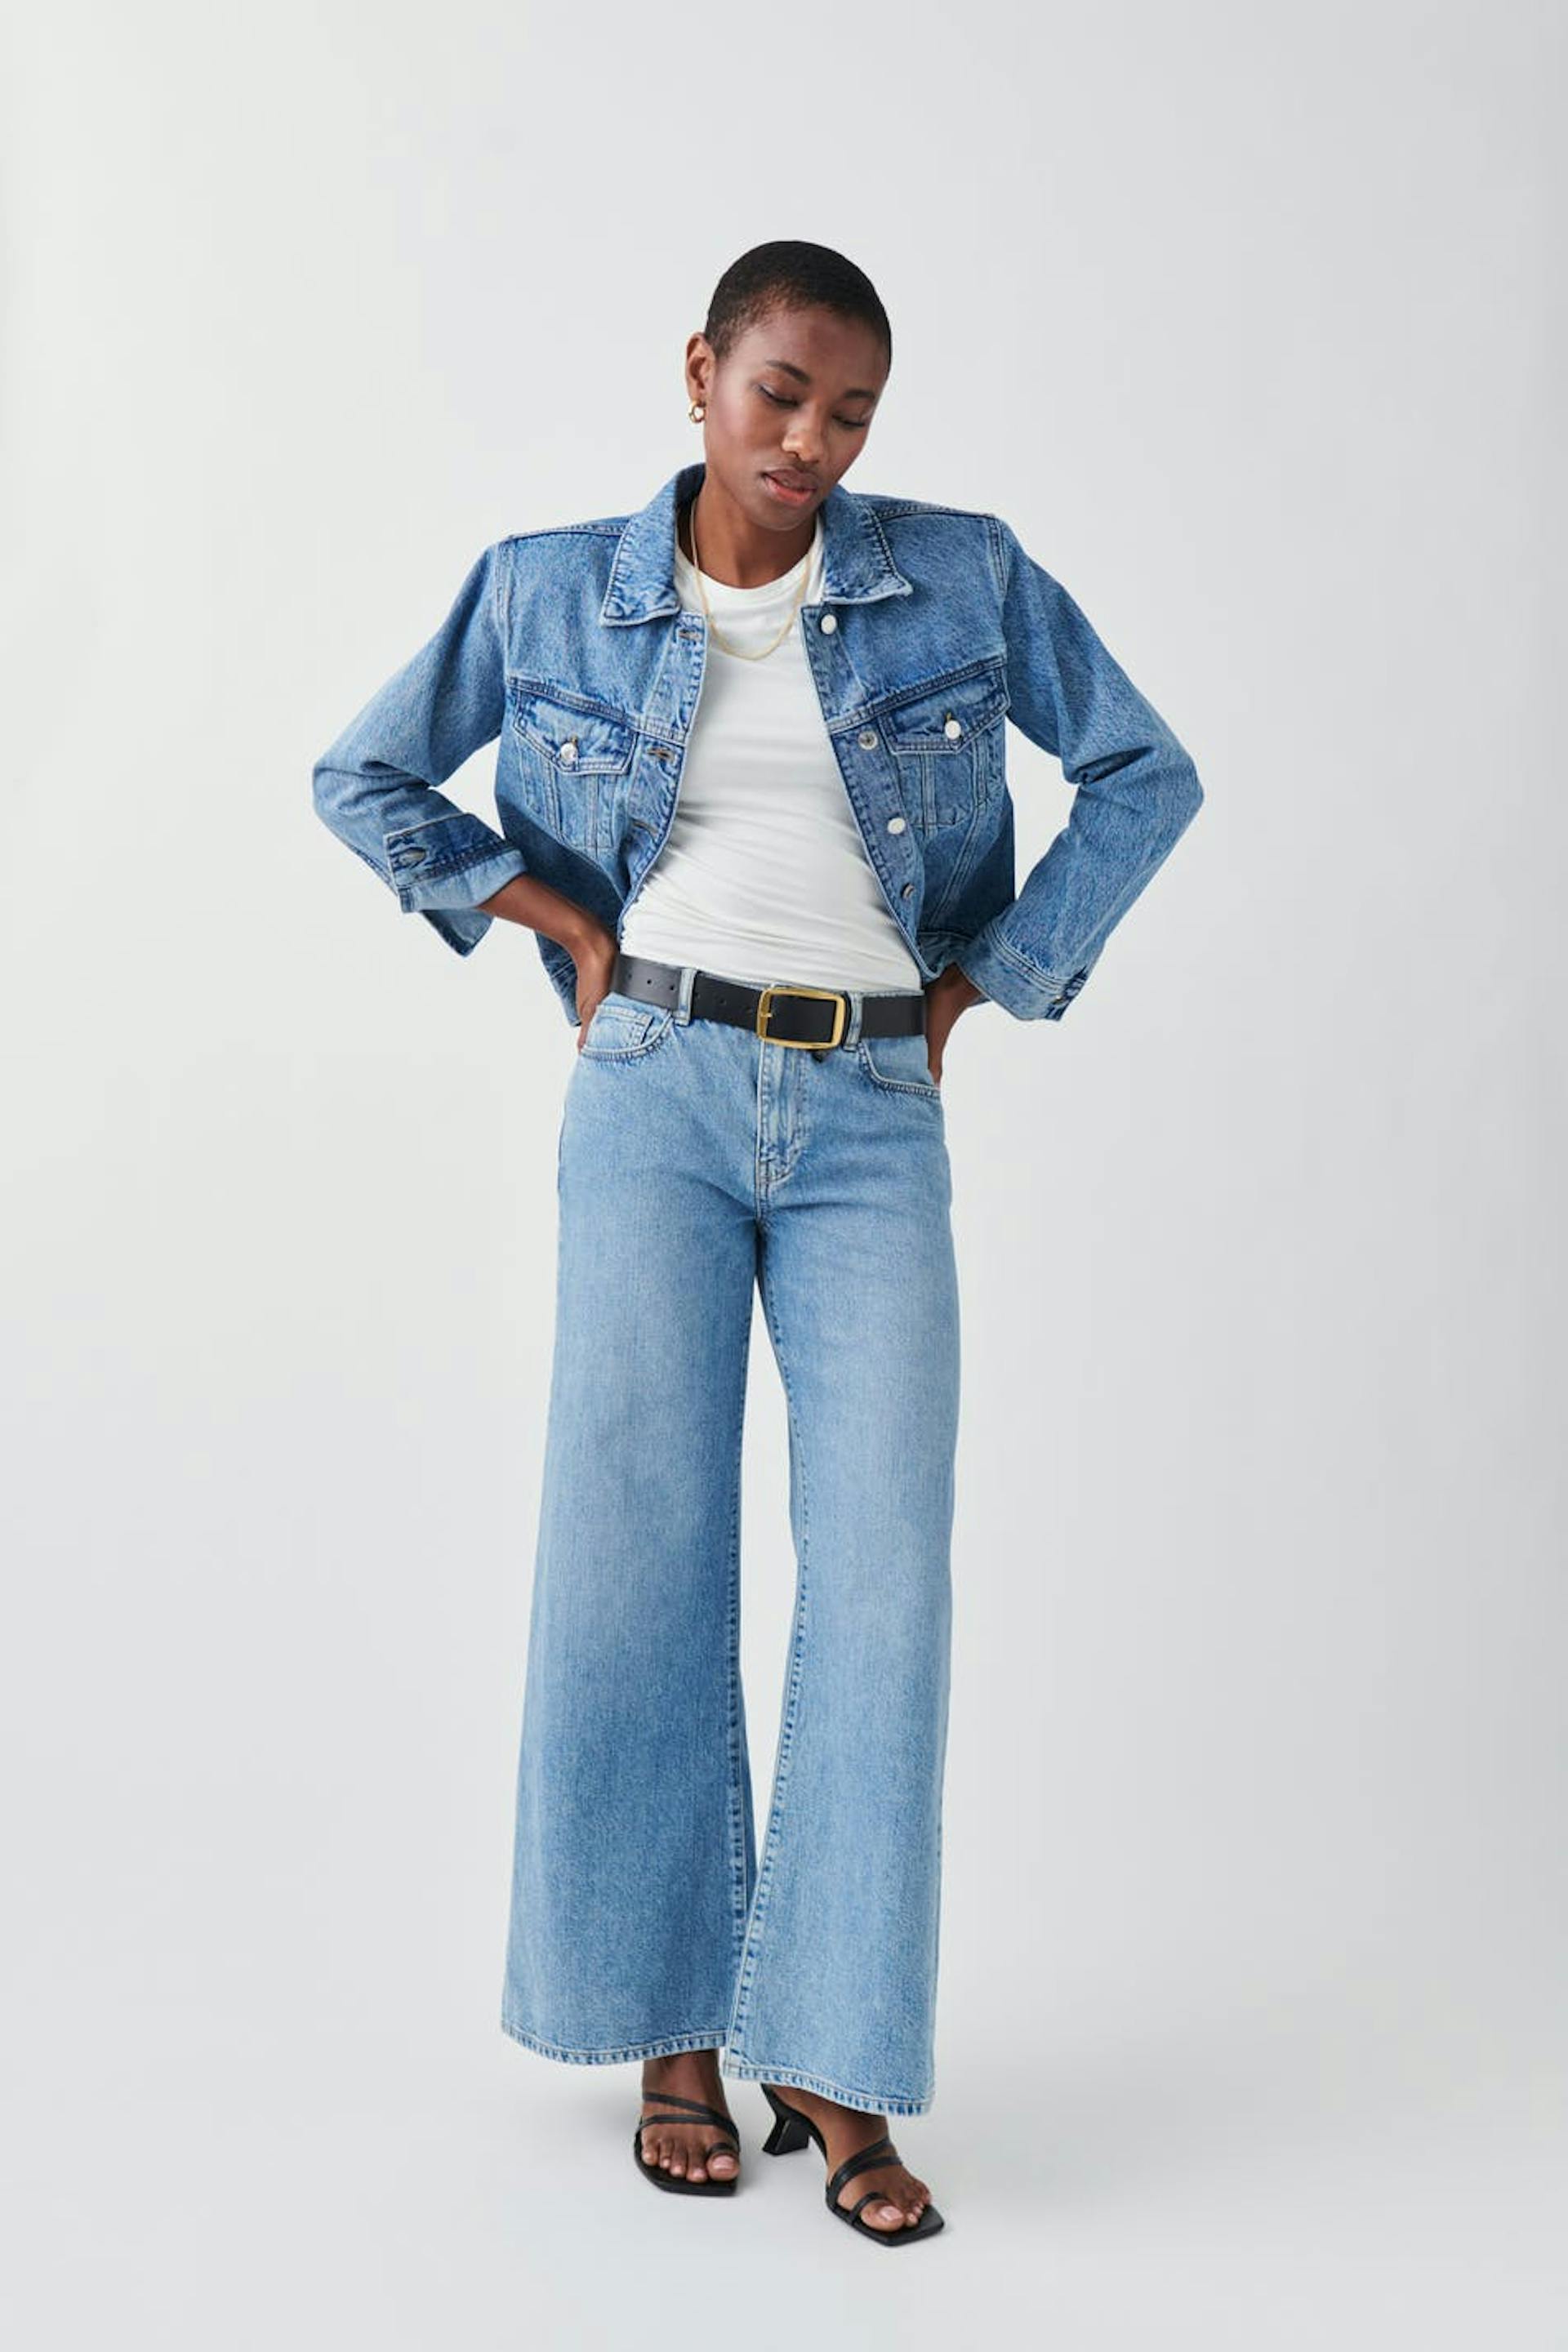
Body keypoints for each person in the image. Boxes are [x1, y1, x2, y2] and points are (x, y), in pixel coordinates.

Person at [312, 239, 1203, 2246]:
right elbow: (360, 775)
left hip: (873, 1108)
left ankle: (837, 2060)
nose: (812, 440)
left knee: (883, 1574)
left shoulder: (962, 577)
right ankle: (673, 2040)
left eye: (852, 412)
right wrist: (551, 921)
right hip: (655, 1092)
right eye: (782, 392)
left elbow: (1149, 773)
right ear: (703, 370)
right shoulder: (549, 587)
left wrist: (986, 985)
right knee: (638, 1552)